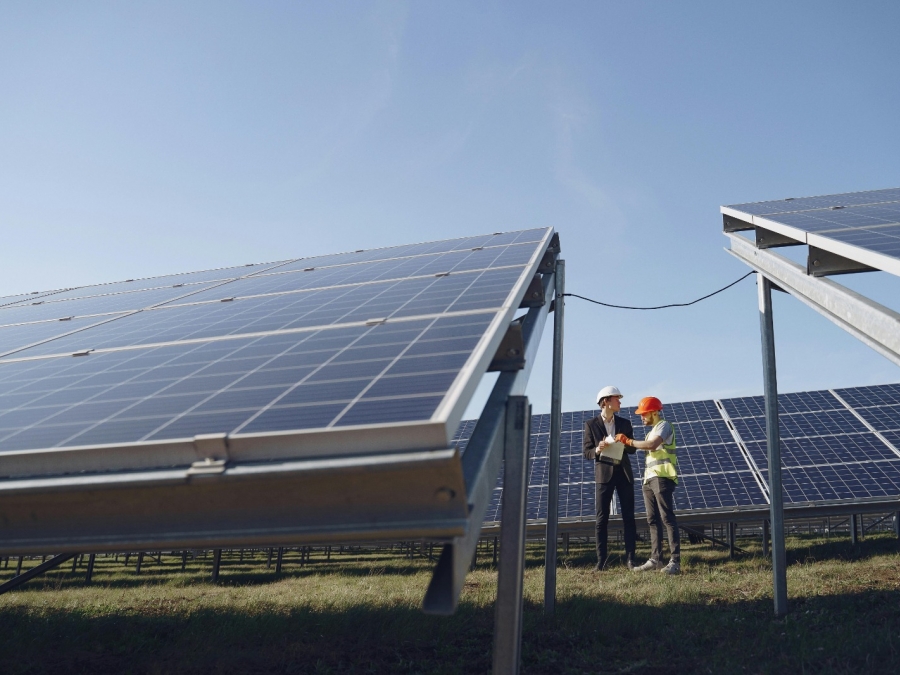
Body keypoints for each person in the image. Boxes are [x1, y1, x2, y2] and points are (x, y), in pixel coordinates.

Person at [616, 396, 680, 575]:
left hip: (662, 477)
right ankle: (656, 559)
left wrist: (628, 441)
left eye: (644, 414)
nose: (642, 418)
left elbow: (652, 446)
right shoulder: (651, 431)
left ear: (654, 412)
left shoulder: (663, 426)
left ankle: (675, 561)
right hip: (649, 480)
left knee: (667, 518)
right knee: (652, 520)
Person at [582, 386, 637, 570]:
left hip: (624, 473)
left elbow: (633, 449)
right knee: (601, 519)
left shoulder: (626, 423)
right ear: (606, 401)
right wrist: (598, 449)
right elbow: (587, 452)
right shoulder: (591, 424)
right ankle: (602, 561)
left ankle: (630, 559)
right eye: (616, 399)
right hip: (604, 475)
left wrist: (625, 441)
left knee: (629, 517)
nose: (620, 402)